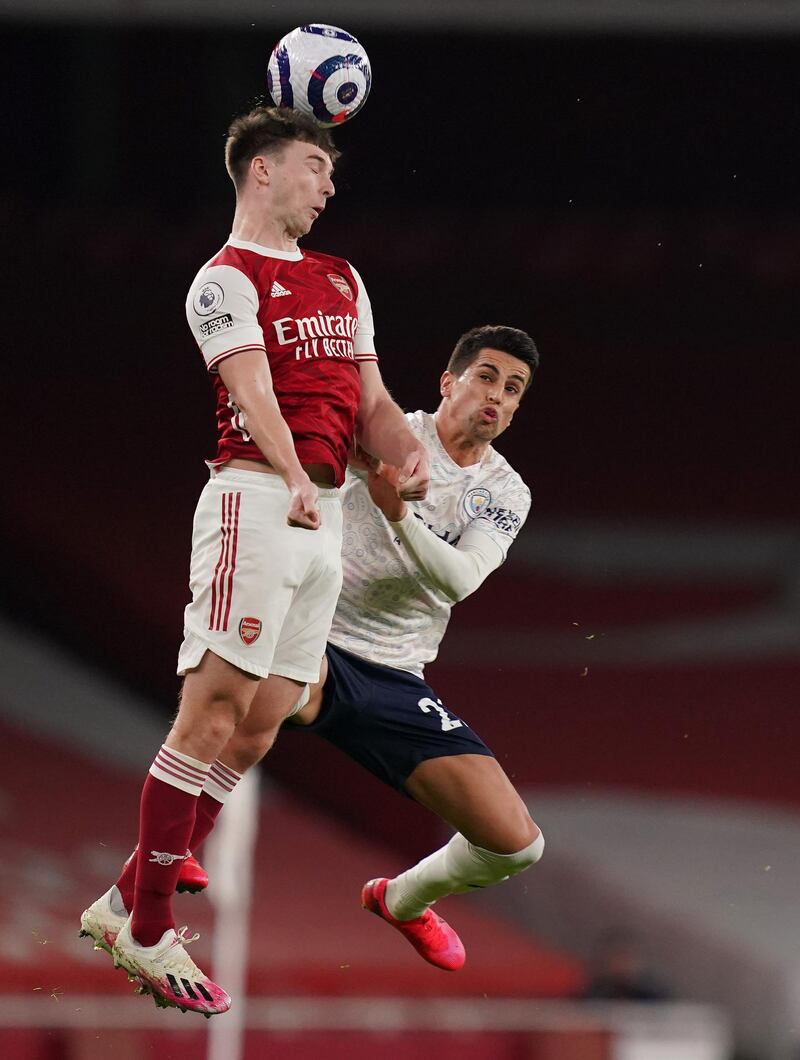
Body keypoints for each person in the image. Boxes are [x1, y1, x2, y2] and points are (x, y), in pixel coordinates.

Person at [79, 104, 429, 1017]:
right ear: (262, 171)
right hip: (255, 499)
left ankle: (124, 901)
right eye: (317, 166)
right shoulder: (221, 280)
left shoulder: (342, 277)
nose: (330, 186)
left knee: (269, 718)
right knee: (211, 710)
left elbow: (374, 402)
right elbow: (249, 386)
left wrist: (405, 454)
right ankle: (149, 931)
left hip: (324, 512)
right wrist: (291, 473)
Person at [168, 324, 545, 971]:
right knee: (265, 692)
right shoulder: (390, 433)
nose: (499, 397)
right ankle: (172, 844)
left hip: (396, 671)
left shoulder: (507, 492)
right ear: (449, 382)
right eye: (487, 377)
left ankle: (402, 899)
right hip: (314, 627)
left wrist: (397, 514)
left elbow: (457, 581)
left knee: (516, 845)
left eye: (513, 389)